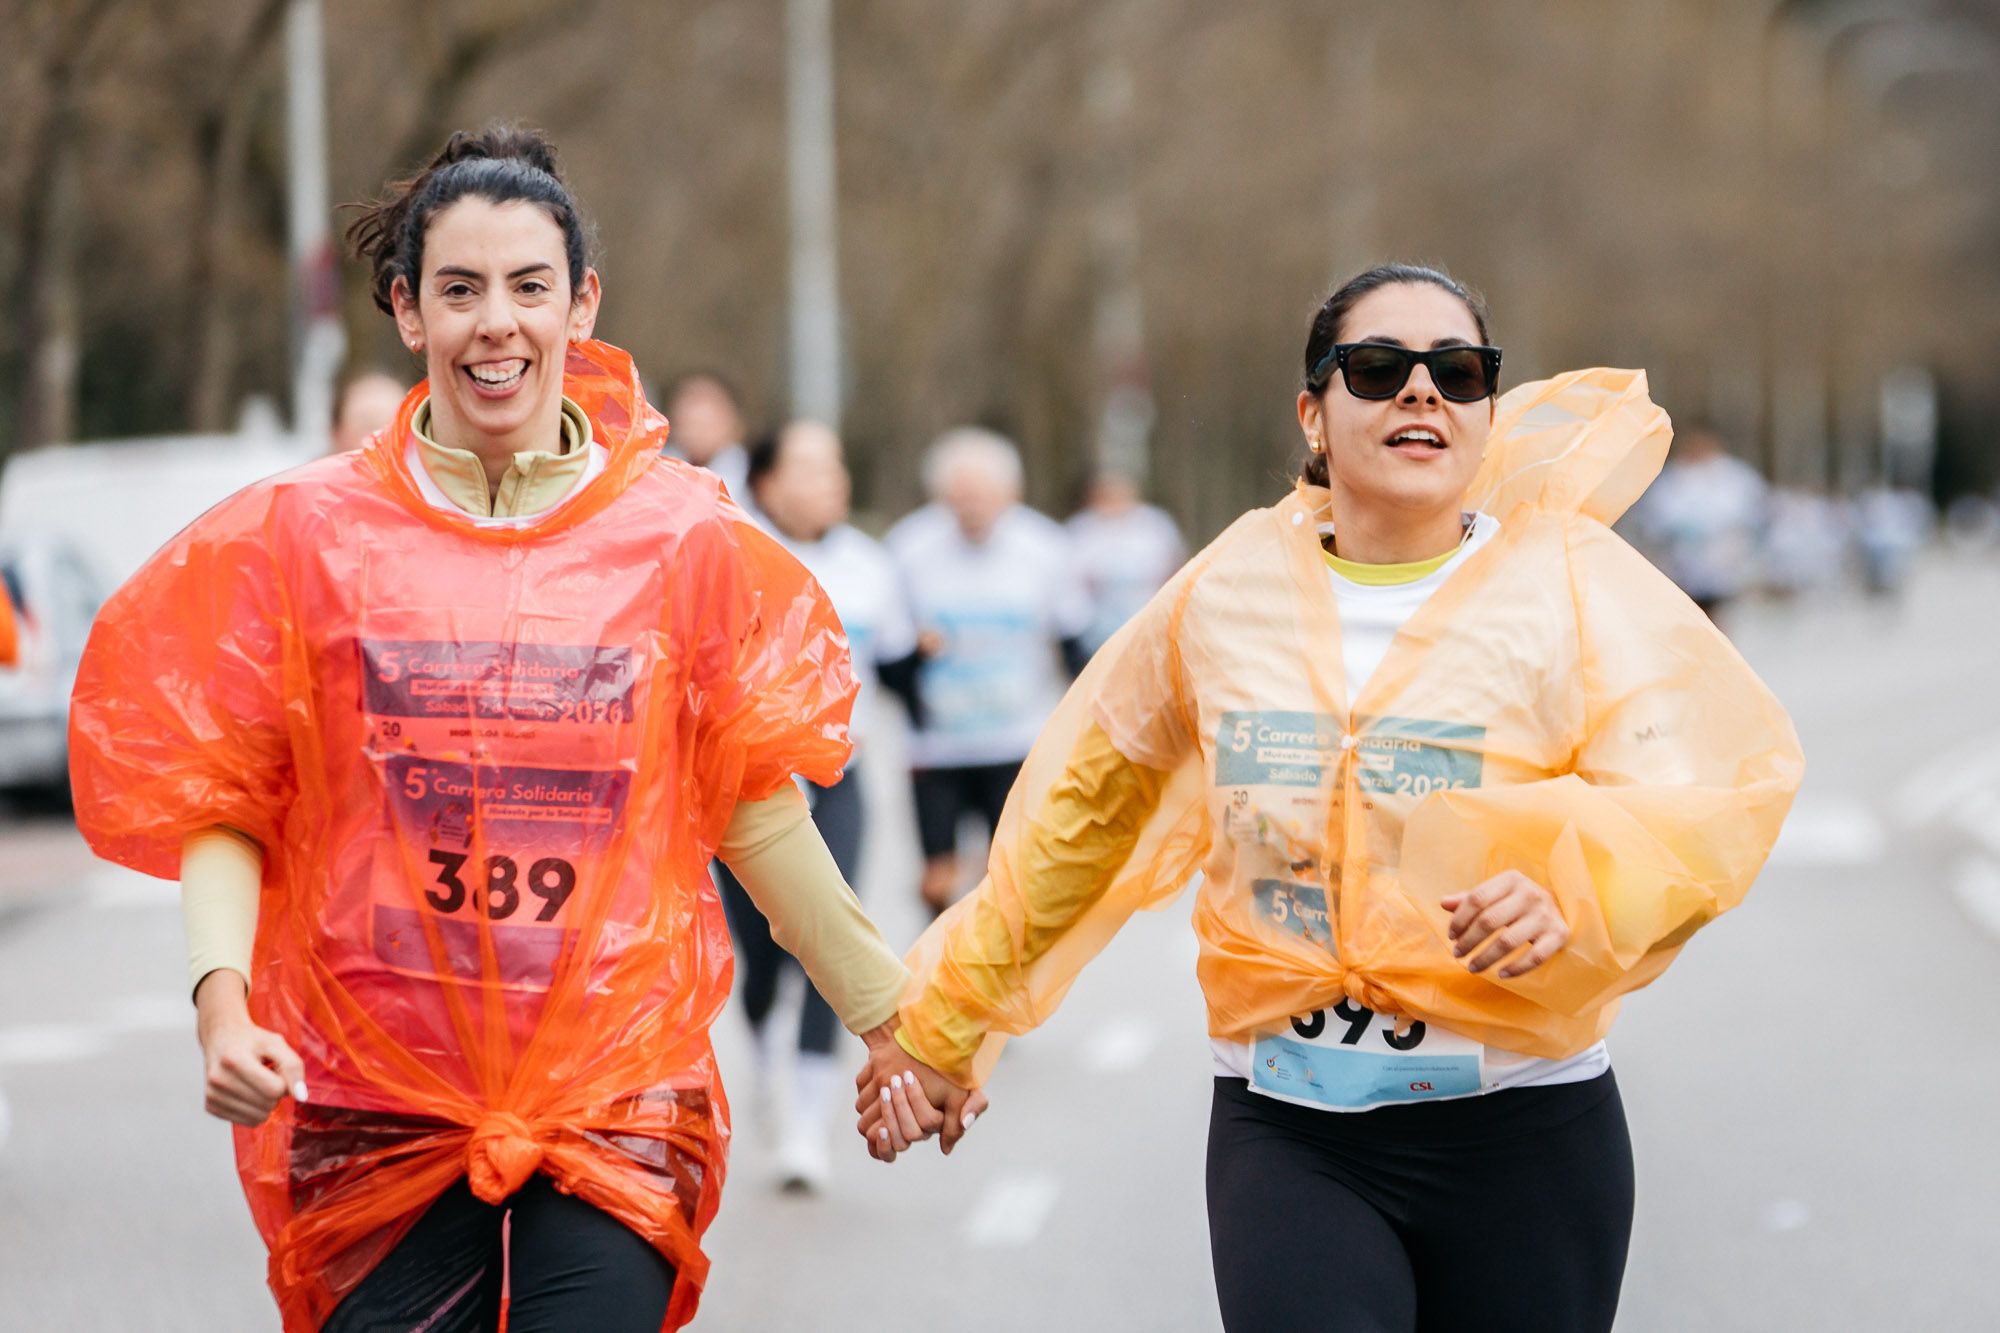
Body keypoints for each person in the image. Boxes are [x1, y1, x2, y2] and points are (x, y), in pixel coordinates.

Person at [67, 126, 947, 1332]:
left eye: (530, 287)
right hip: (371, 1090)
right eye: (460, 289)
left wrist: (898, 1021)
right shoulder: (306, 538)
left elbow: (751, 803)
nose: (498, 323)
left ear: (581, 303)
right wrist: (223, 1002)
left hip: (613, 1094)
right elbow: (226, 788)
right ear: (405, 310)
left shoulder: (678, 540)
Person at [857, 264, 1803, 1331]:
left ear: (1487, 412)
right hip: (1288, 1129)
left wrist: (1573, 887)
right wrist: (946, 1022)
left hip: (1524, 1130)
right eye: (1375, 368)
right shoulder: (1221, 597)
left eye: (1456, 371)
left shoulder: (1570, 586)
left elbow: (1708, 792)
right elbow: (1081, 818)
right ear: (1312, 411)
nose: (1419, 392)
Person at [716, 418, 922, 1191]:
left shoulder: (870, 565)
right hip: (753, 783)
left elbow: (897, 665)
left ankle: (807, 1123)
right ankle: (767, 1053)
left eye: (835, 465)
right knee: (763, 957)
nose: (829, 480)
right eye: (809, 467)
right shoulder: (729, 552)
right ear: (766, 482)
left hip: (840, 778)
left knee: (830, 936)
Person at [885, 427, 1094, 915]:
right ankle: (944, 975)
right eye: (959, 496)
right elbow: (885, 661)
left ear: (1011, 493)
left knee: (1008, 882)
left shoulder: (1044, 547)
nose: (972, 507)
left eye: (983, 495)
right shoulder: (909, 548)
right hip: (937, 747)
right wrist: (917, 656)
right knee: (937, 883)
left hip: (1015, 742)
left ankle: (997, 985)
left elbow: (1076, 645)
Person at [1627, 420, 1768, 619]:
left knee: (1718, 616)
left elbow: (1753, 515)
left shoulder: (1736, 477)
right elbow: (1655, 518)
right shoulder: (1671, 478)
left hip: (1725, 561)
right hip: (1681, 562)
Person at [1066, 467, 1187, 656]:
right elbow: (1070, 585)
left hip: (1151, 624)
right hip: (1096, 633)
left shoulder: (1156, 526)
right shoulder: (1081, 531)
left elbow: (1176, 570)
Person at [661, 370, 749, 501]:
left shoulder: (756, 478)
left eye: (708, 423)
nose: (698, 432)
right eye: (691, 422)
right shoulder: (656, 470)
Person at [330, 368, 408, 454]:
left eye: (395, 428)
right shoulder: (317, 466)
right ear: (337, 431)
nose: (380, 439)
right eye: (370, 425)